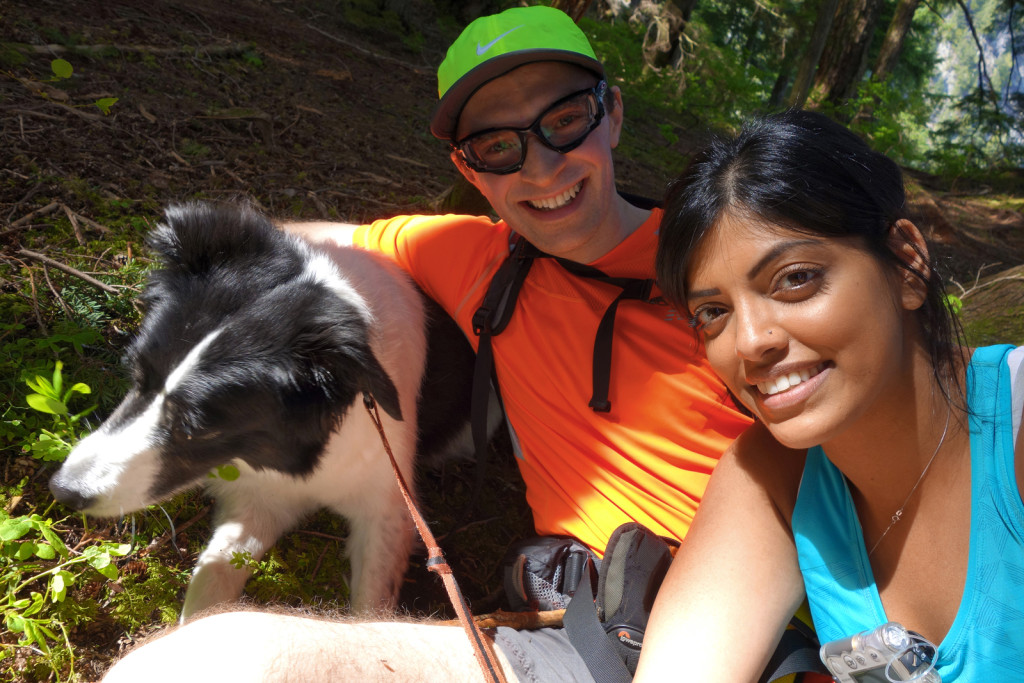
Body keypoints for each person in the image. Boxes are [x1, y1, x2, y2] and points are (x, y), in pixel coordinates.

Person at [102, 6, 751, 681]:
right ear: (468, 169)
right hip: (589, 634)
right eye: (499, 146)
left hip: (761, 619)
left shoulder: (727, 265)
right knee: (206, 666)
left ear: (612, 113)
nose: (542, 166)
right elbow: (296, 239)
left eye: (564, 120)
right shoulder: (470, 257)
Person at [635, 109, 1024, 681]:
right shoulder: (773, 477)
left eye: (795, 278)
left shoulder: (1013, 429)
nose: (750, 342)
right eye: (712, 313)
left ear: (907, 266)